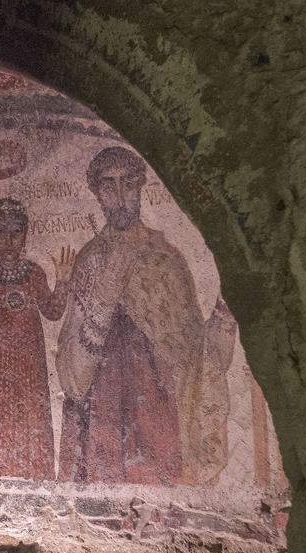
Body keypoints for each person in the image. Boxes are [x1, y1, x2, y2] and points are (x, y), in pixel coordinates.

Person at [55, 147, 205, 485]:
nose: (120, 196)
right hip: (103, 427)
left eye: (128, 184)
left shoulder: (168, 259)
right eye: (108, 186)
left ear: (141, 187)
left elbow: (194, 356)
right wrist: (104, 304)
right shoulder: (91, 260)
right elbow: (72, 378)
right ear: (97, 194)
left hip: (158, 421)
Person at [0, 199, 74, 481]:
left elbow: (52, 312)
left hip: (30, 356)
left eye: (16, 232)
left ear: (25, 235)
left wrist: (63, 281)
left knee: (32, 407)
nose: (8, 240)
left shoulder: (35, 273)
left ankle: (35, 468)